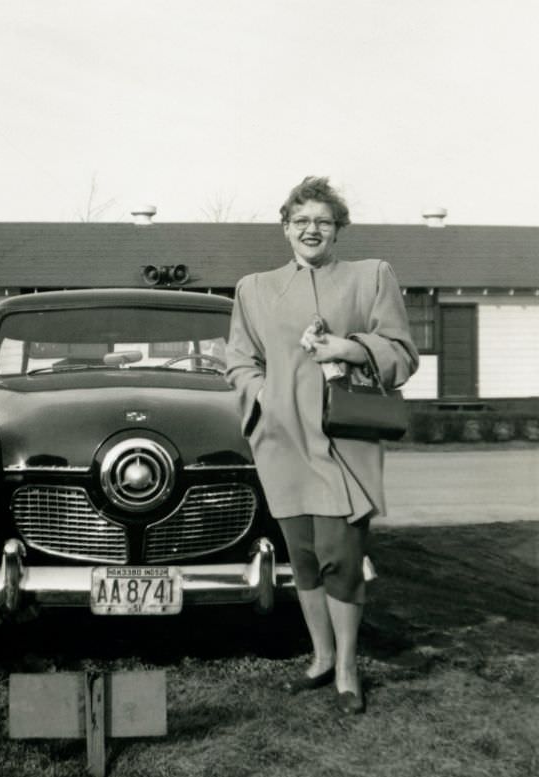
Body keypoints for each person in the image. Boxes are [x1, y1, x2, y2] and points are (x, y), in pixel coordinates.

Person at [226, 177, 418, 715]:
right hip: (282, 443)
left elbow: (402, 352)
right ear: (286, 227)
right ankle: (321, 658)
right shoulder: (254, 289)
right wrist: (260, 393)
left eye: (324, 221)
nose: (312, 230)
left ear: (338, 230)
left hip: (344, 443)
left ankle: (349, 669)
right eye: (302, 220)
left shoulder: (371, 277)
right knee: (304, 560)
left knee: (342, 558)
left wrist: (350, 347)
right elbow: (239, 360)